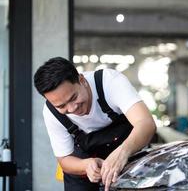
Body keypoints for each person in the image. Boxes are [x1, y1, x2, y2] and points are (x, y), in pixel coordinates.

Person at [34, 57, 156, 191]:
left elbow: (145, 123)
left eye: (73, 98)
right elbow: (64, 160)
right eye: (62, 106)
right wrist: (86, 165)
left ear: (82, 80)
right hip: (87, 159)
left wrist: (122, 153)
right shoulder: (52, 113)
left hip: (129, 150)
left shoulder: (110, 82)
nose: (72, 108)